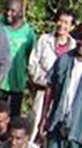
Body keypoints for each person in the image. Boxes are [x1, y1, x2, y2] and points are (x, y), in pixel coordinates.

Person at [27, 8, 76, 141]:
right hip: (42, 91)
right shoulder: (44, 40)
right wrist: (46, 81)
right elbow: (32, 64)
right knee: (34, 124)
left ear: (72, 27)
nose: (62, 25)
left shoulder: (74, 47)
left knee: (54, 127)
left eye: (66, 23)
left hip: (62, 95)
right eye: (60, 21)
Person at [0, 0, 37, 117]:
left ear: (20, 12)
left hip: (17, 83)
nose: (9, 13)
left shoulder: (28, 33)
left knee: (13, 117)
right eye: (7, 10)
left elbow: (31, 57)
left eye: (13, 11)